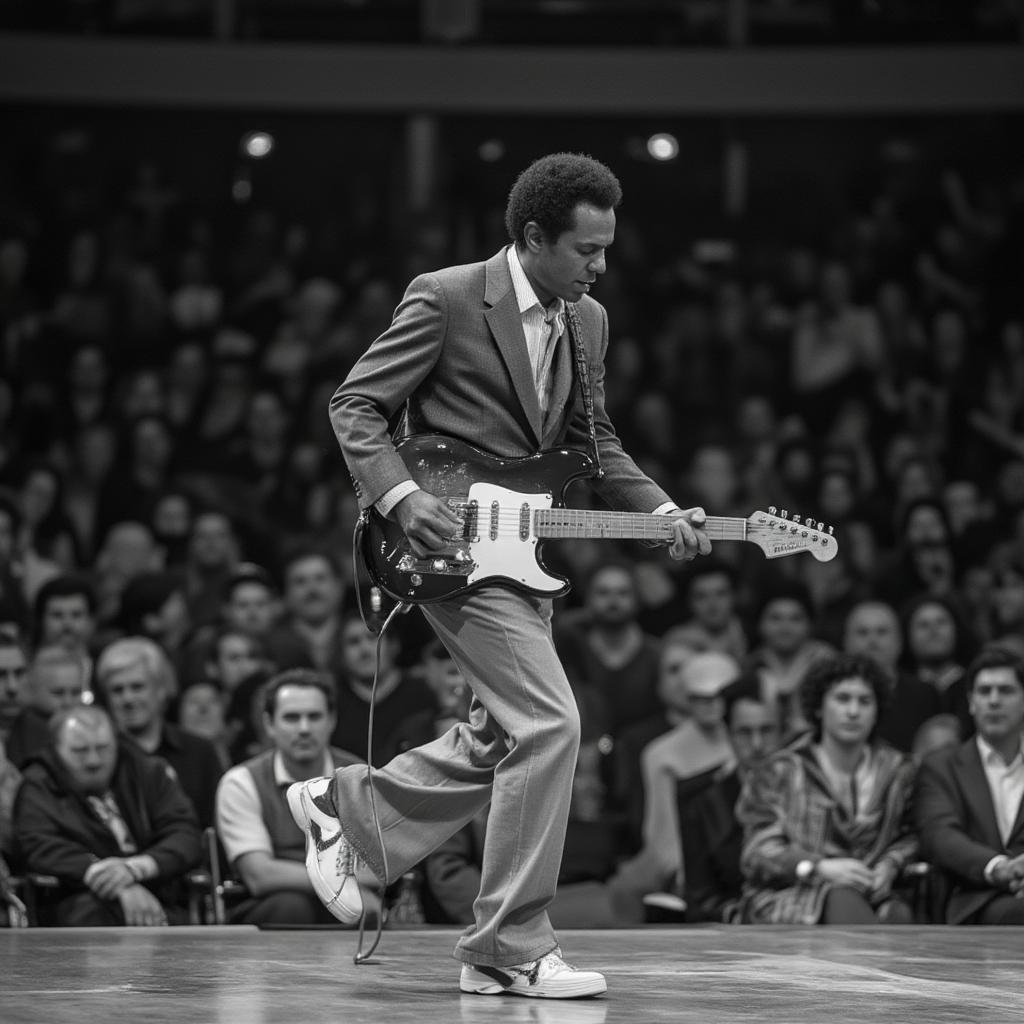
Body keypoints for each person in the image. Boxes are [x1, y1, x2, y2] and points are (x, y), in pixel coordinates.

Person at [287, 152, 710, 1000]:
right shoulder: (445, 295)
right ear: (532, 237)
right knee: (552, 727)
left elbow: (595, 444)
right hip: (443, 547)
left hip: (521, 556)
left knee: (500, 737)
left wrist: (660, 512)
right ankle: (509, 943)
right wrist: (403, 500)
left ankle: (349, 807)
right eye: (587, 250)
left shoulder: (586, 320)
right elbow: (354, 406)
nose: (600, 267)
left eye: (606, 250)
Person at [736, 654, 918, 925]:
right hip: (794, 897)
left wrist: (890, 865)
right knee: (840, 898)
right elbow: (758, 852)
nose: (853, 711)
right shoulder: (781, 770)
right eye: (842, 699)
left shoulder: (898, 770)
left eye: (864, 701)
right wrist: (817, 867)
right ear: (819, 707)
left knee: (898, 912)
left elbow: (913, 835)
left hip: (874, 893)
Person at [11, 704, 201, 926]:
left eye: (103, 748)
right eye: (80, 751)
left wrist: (135, 869)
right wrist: (109, 878)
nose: (93, 761)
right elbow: (37, 844)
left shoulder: (147, 771)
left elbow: (185, 833)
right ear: (56, 750)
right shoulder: (38, 784)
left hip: (159, 891)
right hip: (76, 901)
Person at [214, 669, 361, 924]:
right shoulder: (241, 782)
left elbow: (379, 871)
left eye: (314, 717)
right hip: (271, 910)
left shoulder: (358, 777)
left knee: (364, 912)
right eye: (292, 718)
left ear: (332, 720)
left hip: (348, 904)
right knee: (292, 906)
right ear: (269, 724)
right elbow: (260, 876)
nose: (304, 728)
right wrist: (338, 884)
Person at [914, 647, 1024, 924]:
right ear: (971, 702)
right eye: (985, 691)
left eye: (1006, 691)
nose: (994, 700)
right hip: (977, 897)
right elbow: (939, 836)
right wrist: (1000, 868)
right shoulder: (942, 767)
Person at [678, 678, 781, 923]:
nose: (757, 745)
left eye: (766, 730)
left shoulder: (807, 791)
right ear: (728, 733)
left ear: (782, 731)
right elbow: (699, 898)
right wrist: (741, 917)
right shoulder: (702, 803)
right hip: (734, 935)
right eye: (745, 732)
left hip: (801, 924)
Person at [94, 637, 224, 828]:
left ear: (161, 690)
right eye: (117, 690)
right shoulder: (97, 755)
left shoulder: (200, 751)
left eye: (137, 687)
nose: (128, 698)